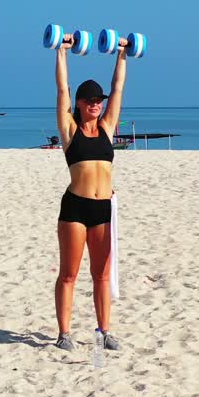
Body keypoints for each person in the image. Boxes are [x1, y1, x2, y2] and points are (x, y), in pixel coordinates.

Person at [52, 34, 128, 352]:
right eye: (90, 100)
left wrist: (122, 54)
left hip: (103, 210)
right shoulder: (70, 130)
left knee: (101, 274)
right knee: (69, 273)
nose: (96, 104)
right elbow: (62, 90)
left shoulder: (108, 127)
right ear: (80, 104)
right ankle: (64, 334)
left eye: (99, 100)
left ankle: (104, 331)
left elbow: (119, 88)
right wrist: (61, 51)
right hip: (75, 209)